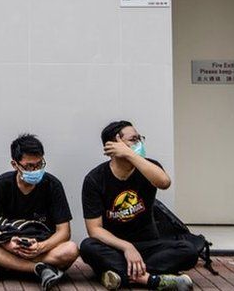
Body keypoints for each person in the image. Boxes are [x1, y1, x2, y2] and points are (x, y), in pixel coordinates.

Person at [80, 121, 199, 290]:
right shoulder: (95, 179)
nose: (139, 144)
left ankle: (119, 275)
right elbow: (95, 230)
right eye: (133, 140)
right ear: (113, 146)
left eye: (140, 139)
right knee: (87, 247)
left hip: (148, 245)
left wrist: (131, 155)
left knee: (189, 250)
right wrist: (127, 247)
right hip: (115, 247)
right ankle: (152, 279)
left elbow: (164, 182)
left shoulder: (148, 167)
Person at [0, 134, 80, 290]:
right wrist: (8, 245)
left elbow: (64, 232)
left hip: (41, 246)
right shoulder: (1, 185)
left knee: (71, 249)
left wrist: (41, 247)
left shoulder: (53, 185)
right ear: (15, 164)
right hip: (9, 244)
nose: (35, 170)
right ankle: (39, 269)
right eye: (28, 166)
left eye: (40, 164)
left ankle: (3, 266)